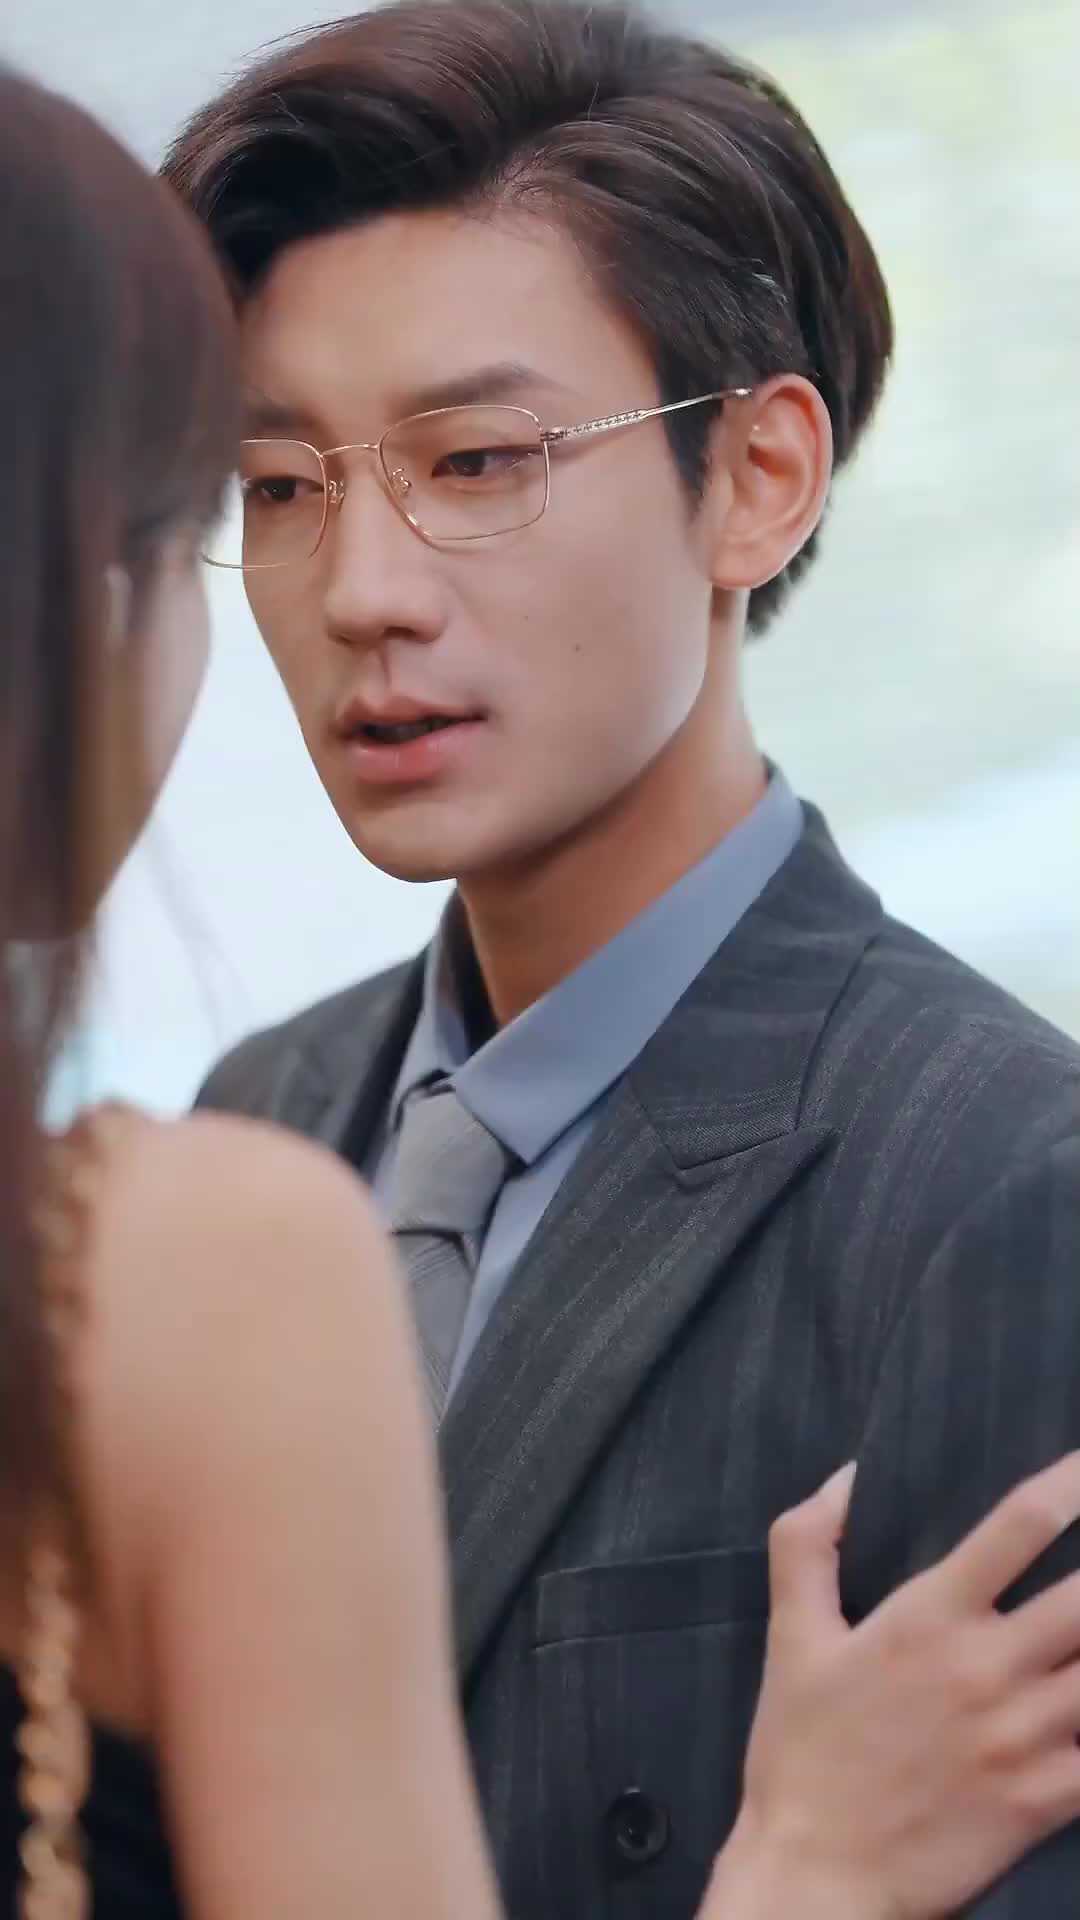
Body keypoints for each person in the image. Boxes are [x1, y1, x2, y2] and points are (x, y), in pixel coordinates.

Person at [0, 49, 1077, 1920]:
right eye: (275, 484)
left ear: (758, 478)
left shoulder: (1003, 1183)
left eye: (478, 463)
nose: (362, 591)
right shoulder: (255, 1126)